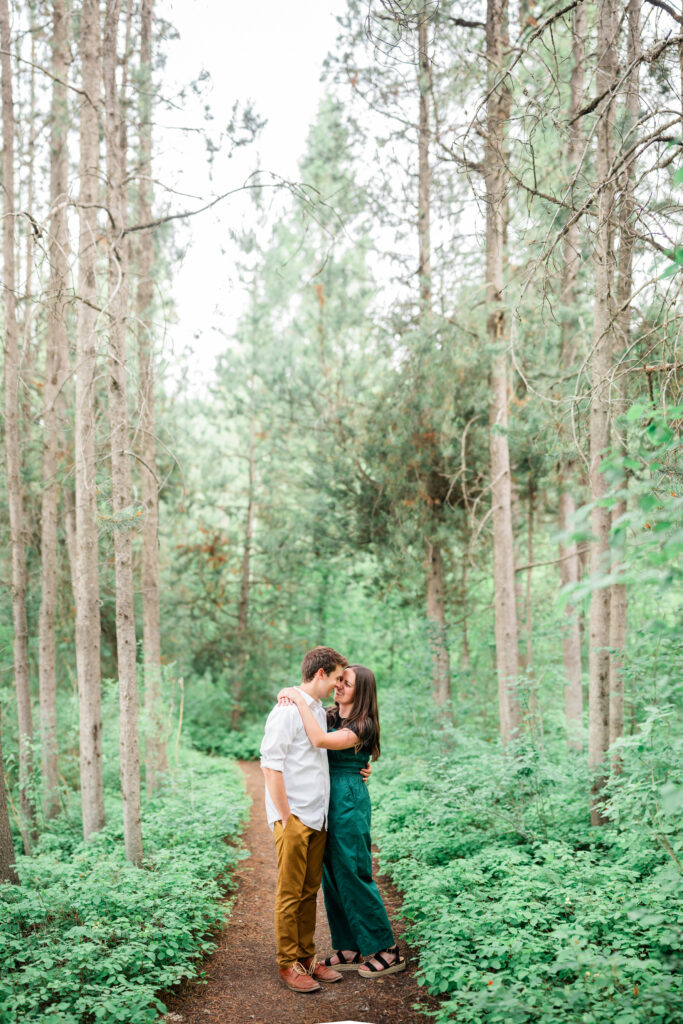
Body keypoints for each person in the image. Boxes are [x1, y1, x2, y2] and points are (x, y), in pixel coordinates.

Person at [278, 663, 406, 979]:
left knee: (353, 870)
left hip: (348, 799)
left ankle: (387, 949)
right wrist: (289, 693)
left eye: (346, 683)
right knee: (331, 873)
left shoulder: (365, 724)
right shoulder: (329, 715)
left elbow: (319, 741)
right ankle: (348, 946)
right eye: (339, 680)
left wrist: (296, 696)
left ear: (361, 692)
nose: (338, 685)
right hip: (323, 797)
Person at [260, 645, 348, 994]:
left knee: (309, 892)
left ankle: (307, 957)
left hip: (318, 816)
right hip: (294, 817)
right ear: (321, 673)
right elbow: (270, 766)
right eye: (337, 677)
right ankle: (287, 963)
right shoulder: (286, 711)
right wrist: (285, 816)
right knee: (290, 893)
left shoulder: (316, 711)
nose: (338, 685)